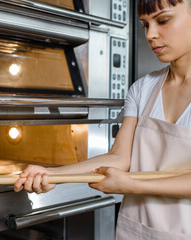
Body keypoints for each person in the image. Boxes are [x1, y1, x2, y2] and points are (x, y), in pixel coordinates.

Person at [14, 0, 191, 239]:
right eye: (144, 25)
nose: (151, 34)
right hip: (137, 230)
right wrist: (55, 175)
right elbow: (119, 157)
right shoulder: (143, 88)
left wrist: (132, 186)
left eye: (163, 20)